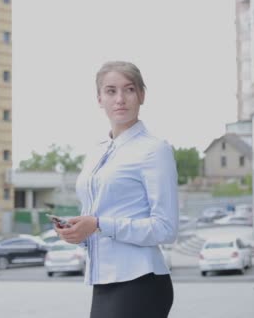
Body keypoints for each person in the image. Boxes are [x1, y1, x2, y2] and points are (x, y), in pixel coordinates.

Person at [55, 61, 178, 318]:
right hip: (103, 282)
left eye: (129, 89)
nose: (120, 99)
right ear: (99, 98)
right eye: (111, 91)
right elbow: (95, 219)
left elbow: (166, 229)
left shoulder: (154, 150)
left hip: (141, 280)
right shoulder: (96, 152)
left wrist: (100, 224)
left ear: (142, 95)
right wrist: (79, 233)